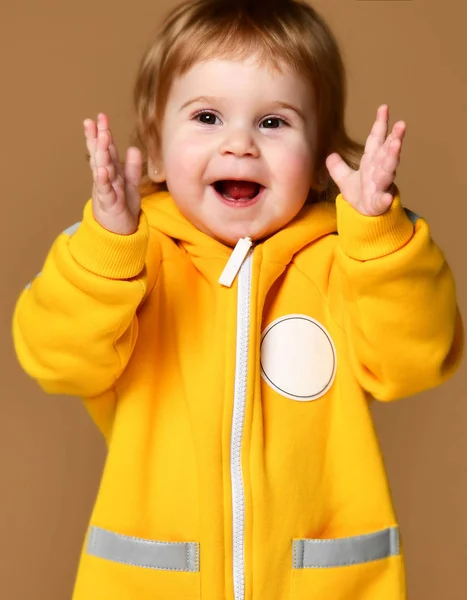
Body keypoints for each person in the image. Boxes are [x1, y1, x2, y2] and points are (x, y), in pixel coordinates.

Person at [12, 0, 463, 598]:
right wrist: (109, 247)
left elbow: (416, 361)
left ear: (322, 151)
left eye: (273, 123)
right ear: (155, 138)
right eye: (207, 117)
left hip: (325, 586)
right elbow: (56, 359)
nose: (241, 145)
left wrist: (380, 239)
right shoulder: (127, 261)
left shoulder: (343, 262)